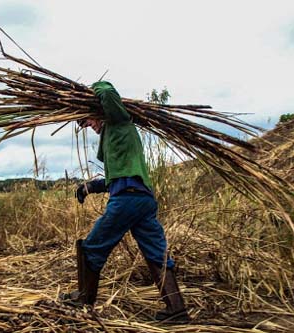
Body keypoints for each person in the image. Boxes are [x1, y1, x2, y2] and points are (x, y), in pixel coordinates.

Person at [64, 81, 189, 322]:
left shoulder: (119, 121)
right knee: (156, 253)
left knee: (92, 246)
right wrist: (90, 187)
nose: (89, 126)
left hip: (127, 200)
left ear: (98, 110)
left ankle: (84, 298)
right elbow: (118, 178)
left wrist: (87, 91)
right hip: (142, 199)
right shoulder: (115, 138)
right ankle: (177, 309)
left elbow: (107, 91)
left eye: (88, 119)